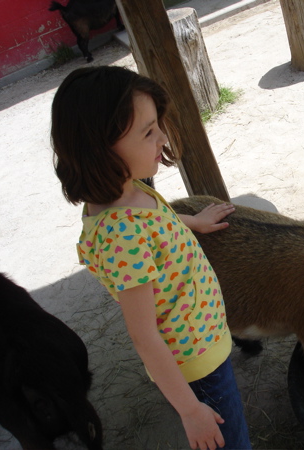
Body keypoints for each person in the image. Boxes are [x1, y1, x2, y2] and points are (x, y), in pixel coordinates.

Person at [51, 66, 251, 450]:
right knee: (231, 443)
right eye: (147, 131)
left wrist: (191, 221)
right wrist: (191, 410)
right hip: (196, 364)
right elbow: (144, 336)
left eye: (157, 124)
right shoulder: (120, 234)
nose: (162, 136)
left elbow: (155, 224)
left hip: (203, 339)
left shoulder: (128, 191)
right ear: (99, 148)